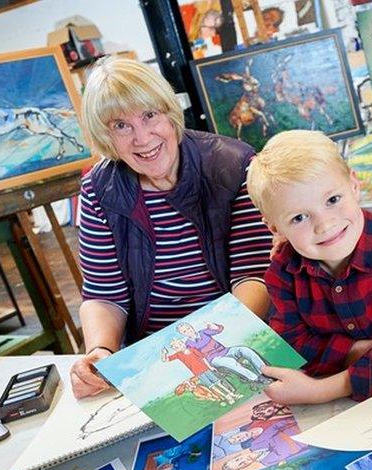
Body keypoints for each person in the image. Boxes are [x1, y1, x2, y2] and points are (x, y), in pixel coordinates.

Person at [69, 56, 273, 399]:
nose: (142, 137)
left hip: (239, 335)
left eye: (149, 115)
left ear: (168, 111)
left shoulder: (234, 164)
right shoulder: (97, 190)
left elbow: (254, 276)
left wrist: (217, 346)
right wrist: (101, 351)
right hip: (156, 356)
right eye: (121, 126)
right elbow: (104, 294)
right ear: (106, 135)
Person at [246, 130, 372, 405]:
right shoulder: (283, 271)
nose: (324, 224)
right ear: (275, 228)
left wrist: (320, 390)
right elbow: (292, 346)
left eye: (333, 200)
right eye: (299, 217)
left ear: (354, 185)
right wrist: (360, 349)